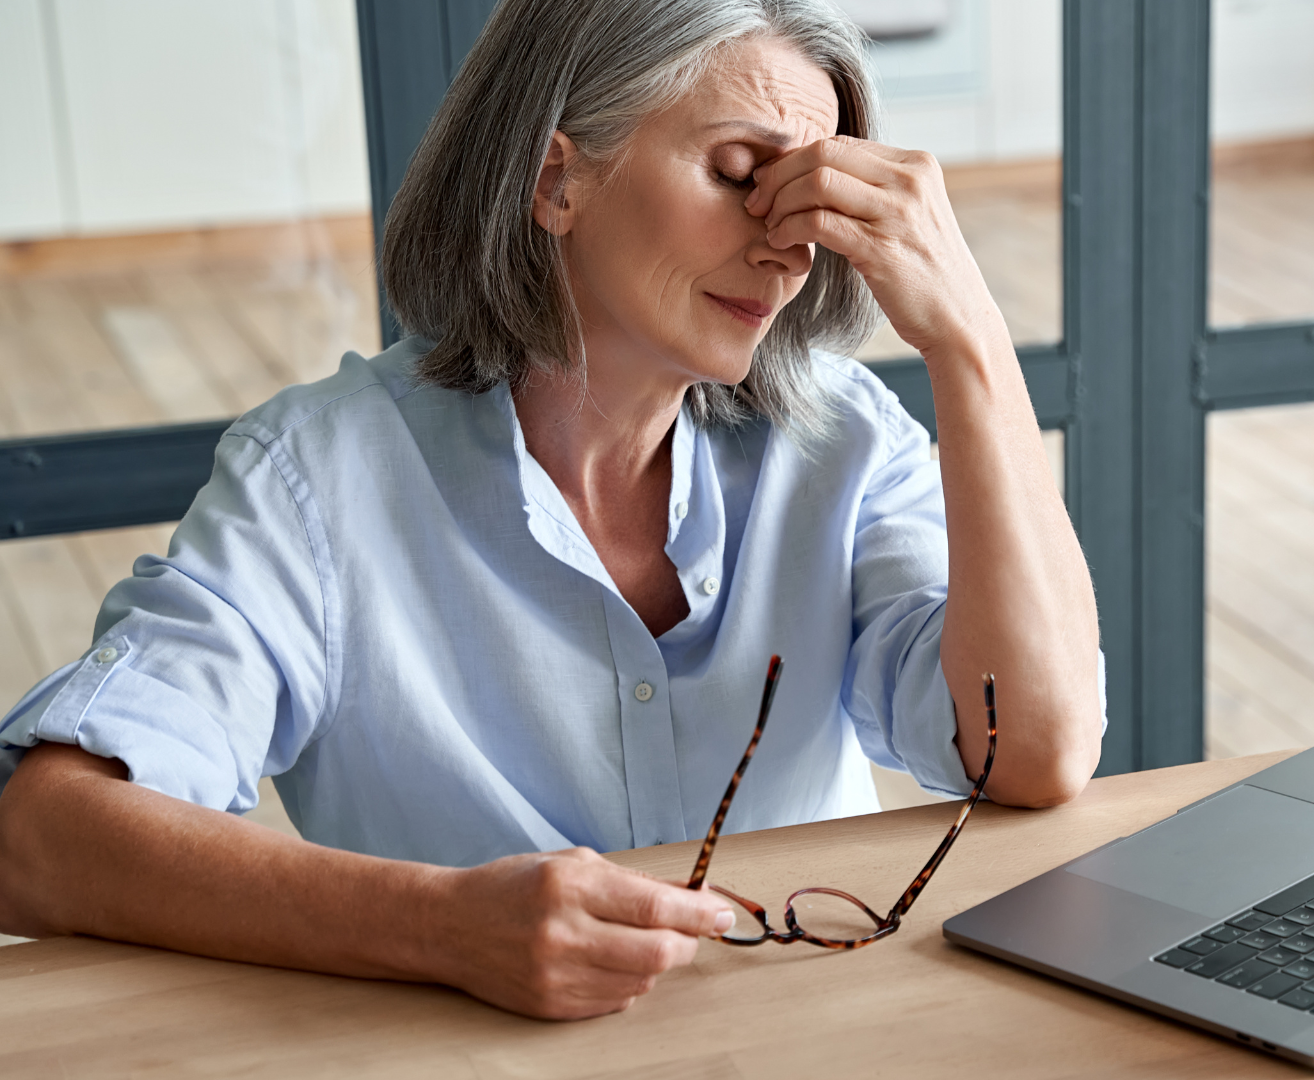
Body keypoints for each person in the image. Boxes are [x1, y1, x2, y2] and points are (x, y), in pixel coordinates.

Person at [0, 0, 1102, 1020]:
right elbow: (38, 838)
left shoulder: (845, 442)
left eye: (812, 196)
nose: (790, 246)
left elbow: (1033, 755)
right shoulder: (320, 478)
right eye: (738, 175)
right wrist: (440, 926)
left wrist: (970, 339)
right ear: (554, 180)